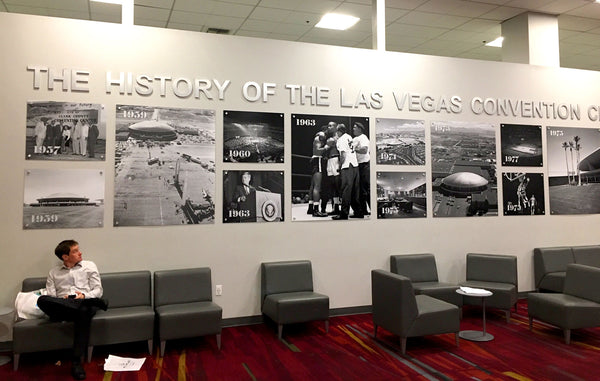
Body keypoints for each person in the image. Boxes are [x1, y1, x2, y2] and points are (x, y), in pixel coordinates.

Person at [37, 240, 108, 380]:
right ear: (65, 257)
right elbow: (51, 297)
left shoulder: (89, 266)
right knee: (41, 300)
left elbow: (98, 290)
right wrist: (65, 301)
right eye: (75, 251)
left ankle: (76, 362)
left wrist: (83, 296)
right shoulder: (54, 273)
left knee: (83, 309)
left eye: (78, 249)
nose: (80, 252)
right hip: (63, 306)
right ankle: (94, 304)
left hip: (85, 303)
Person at [333, 124, 361, 220]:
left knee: (346, 190)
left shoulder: (341, 140)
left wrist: (339, 166)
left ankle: (344, 214)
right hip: (355, 165)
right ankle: (358, 212)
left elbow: (343, 155)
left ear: (339, 131)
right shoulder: (349, 137)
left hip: (347, 166)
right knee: (354, 190)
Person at [307, 129, 329, 217]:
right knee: (317, 186)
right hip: (318, 160)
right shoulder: (321, 135)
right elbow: (318, 151)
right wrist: (327, 147)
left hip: (314, 160)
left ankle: (310, 207)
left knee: (312, 186)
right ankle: (316, 210)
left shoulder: (318, 136)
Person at [352, 122, 370, 216]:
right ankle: (363, 210)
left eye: (355, 127)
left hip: (364, 165)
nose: (353, 129)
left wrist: (354, 149)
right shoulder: (355, 139)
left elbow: (364, 150)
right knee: (359, 189)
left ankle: (367, 210)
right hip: (357, 165)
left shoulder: (363, 137)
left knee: (364, 189)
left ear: (360, 128)